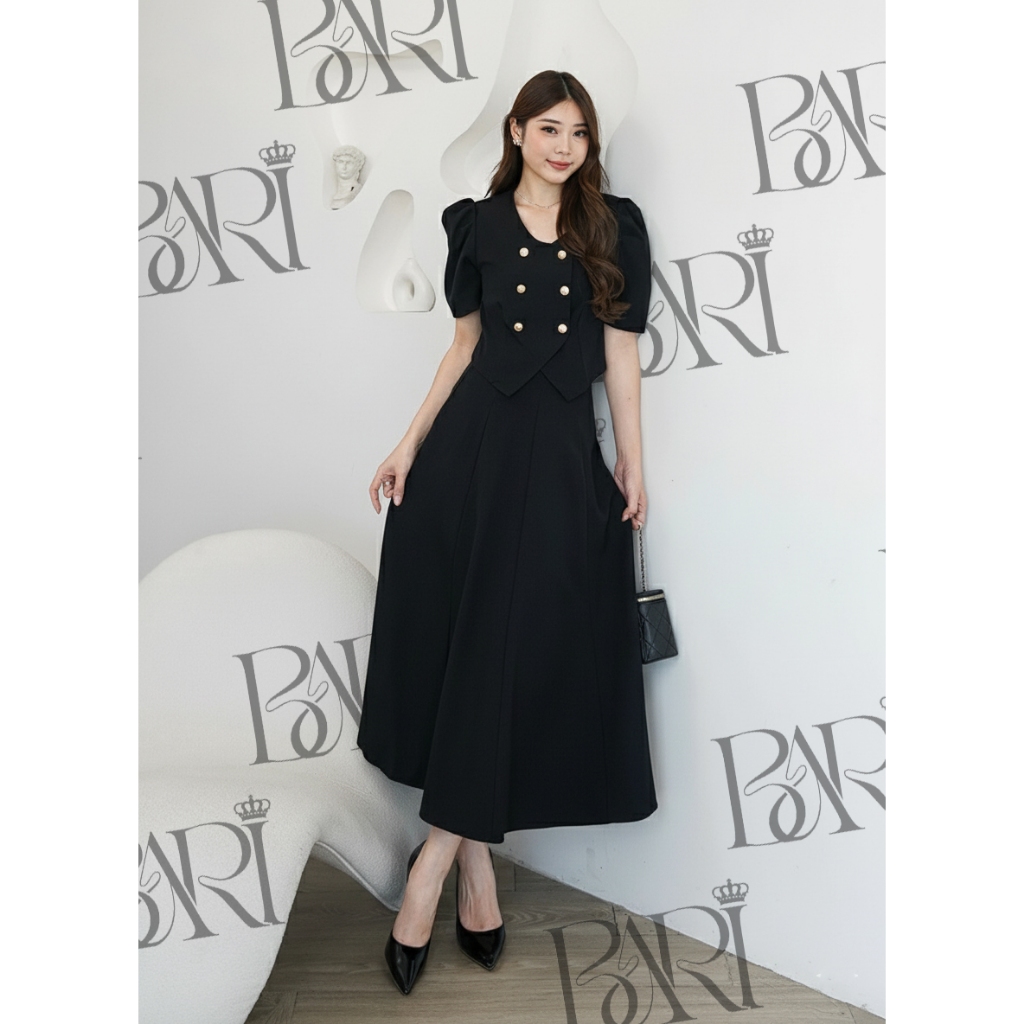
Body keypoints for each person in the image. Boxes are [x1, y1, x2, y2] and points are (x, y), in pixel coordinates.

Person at [356, 69, 658, 995]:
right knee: (469, 651)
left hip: (561, 461)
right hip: (469, 457)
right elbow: (463, 348)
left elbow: (620, 353)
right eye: (549, 129)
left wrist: (632, 462)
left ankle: (435, 866)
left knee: (516, 654)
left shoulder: (614, 226)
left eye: (579, 132)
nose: (565, 146)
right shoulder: (474, 225)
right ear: (517, 132)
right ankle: (474, 872)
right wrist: (407, 444)